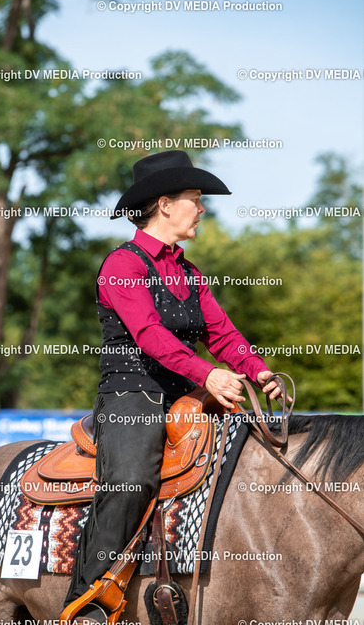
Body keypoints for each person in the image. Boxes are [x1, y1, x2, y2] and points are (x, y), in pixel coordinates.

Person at [63, 150, 282, 623]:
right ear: (164, 204)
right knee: (132, 480)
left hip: (185, 396)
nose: (202, 209)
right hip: (131, 394)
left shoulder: (190, 272)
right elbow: (149, 335)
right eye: (195, 199)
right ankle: (88, 602)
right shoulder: (122, 264)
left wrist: (258, 370)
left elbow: (221, 334)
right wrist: (208, 374)